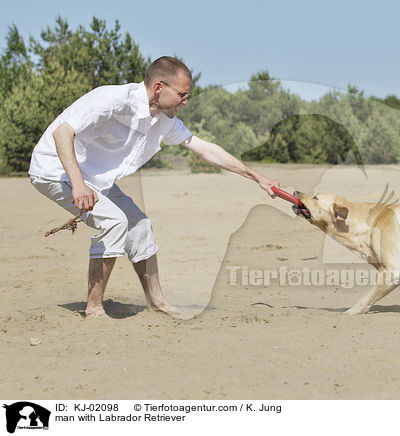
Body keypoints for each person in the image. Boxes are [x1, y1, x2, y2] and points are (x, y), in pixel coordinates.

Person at [28, 56, 278, 319]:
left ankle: (157, 301)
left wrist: (256, 177)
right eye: (182, 94)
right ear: (159, 87)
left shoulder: (163, 120)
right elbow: (61, 133)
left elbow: (204, 149)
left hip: (95, 180)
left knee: (139, 225)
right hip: (55, 170)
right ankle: (94, 308)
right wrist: (78, 185)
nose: (186, 101)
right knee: (113, 221)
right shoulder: (111, 99)